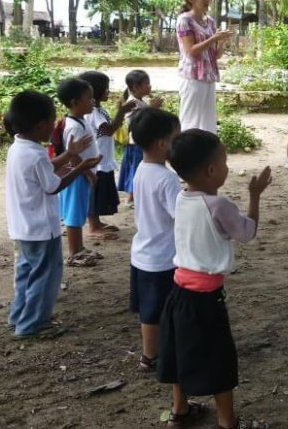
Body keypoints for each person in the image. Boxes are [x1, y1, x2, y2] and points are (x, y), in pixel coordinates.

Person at [158, 130, 272, 429]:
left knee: (180, 352)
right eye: (224, 161)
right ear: (211, 170)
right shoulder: (218, 205)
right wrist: (255, 196)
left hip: (179, 291)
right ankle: (226, 421)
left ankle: (179, 411)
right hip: (206, 299)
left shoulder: (182, 198)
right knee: (220, 360)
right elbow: (247, 233)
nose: (227, 166)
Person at [4, 90, 100, 339]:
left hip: (23, 227)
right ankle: (33, 324)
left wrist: (68, 155)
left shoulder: (19, 148)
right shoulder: (35, 154)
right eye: (52, 121)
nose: (54, 127)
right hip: (41, 229)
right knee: (45, 277)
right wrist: (79, 168)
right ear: (39, 125)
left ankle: (19, 316)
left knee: (27, 272)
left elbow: (45, 169)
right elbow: (53, 185)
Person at [127, 108, 181, 375]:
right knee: (157, 311)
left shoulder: (143, 168)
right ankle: (152, 356)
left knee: (148, 310)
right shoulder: (167, 179)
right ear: (162, 144)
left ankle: (151, 353)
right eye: (176, 138)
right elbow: (180, 216)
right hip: (162, 258)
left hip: (143, 253)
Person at [79, 70, 136, 239]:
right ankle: (93, 226)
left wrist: (122, 112)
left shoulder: (98, 110)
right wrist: (122, 112)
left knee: (98, 194)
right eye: (105, 89)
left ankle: (96, 222)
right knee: (95, 194)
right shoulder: (94, 113)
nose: (108, 92)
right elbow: (109, 130)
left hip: (103, 158)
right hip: (97, 161)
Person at [57, 78, 104, 267]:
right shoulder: (74, 126)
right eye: (88, 98)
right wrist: (88, 173)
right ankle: (74, 252)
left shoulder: (80, 121)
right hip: (76, 175)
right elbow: (73, 155)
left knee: (78, 212)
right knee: (74, 215)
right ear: (75, 102)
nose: (92, 101)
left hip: (81, 174)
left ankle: (80, 248)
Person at [176, 0, 233, 134]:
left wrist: (221, 41)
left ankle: (204, 155)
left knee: (208, 122)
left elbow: (216, 55)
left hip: (208, 76)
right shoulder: (184, 20)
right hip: (192, 76)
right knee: (190, 120)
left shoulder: (210, 21)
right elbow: (191, 51)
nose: (208, 0)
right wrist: (214, 38)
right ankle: (184, 154)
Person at [118, 70, 161, 205]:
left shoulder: (140, 101)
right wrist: (151, 108)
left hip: (141, 141)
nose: (150, 87)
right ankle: (131, 197)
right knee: (136, 167)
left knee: (136, 167)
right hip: (136, 142)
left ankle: (133, 195)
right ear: (136, 87)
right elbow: (136, 118)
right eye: (146, 84)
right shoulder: (133, 102)